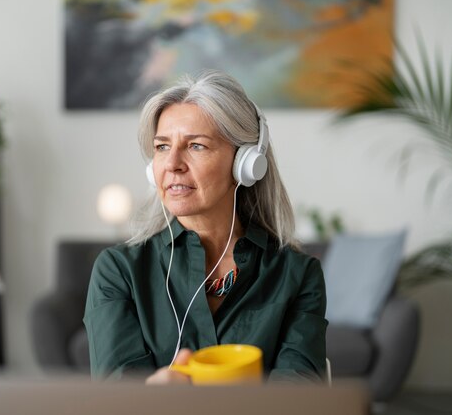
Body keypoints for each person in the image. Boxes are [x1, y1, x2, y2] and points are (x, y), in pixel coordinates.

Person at [83, 70, 327, 384]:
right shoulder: (118, 271)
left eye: (196, 146)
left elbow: (299, 400)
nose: (172, 164)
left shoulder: (297, 275)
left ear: (246, 163)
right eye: (161, 147)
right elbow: (116, 399)